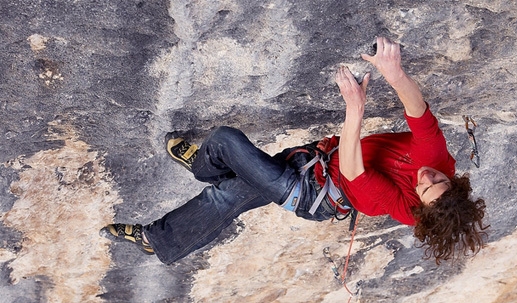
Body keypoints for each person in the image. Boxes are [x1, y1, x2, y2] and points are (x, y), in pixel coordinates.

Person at [101, 36, 487, 265]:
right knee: (229, 193)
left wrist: (354, 108)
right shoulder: (438, 161)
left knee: (225, 141)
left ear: (419, 205)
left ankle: (204, 169)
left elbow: (354, 171)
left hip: (308, 193)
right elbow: (418, 113)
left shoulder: (404, 208)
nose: (425, 177)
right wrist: (394, 73)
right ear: (452, 181)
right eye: (437, 179)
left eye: (425, 188)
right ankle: (179, 214)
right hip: (313, 160)